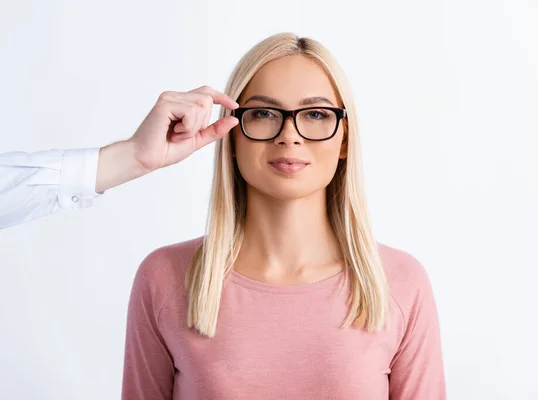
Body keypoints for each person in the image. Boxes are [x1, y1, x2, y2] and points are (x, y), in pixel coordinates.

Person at [121, 32, 446, 400]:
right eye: (262, 113)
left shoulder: (402, 284)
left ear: (344, 139)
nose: (289, 136)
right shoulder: (164, 278)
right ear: (231, 134)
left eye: (316, 114)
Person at [0, 86, 239, 229]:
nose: (279, 138)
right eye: (263, 113)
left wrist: (134, 157)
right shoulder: (165, 274)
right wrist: (134, 157)